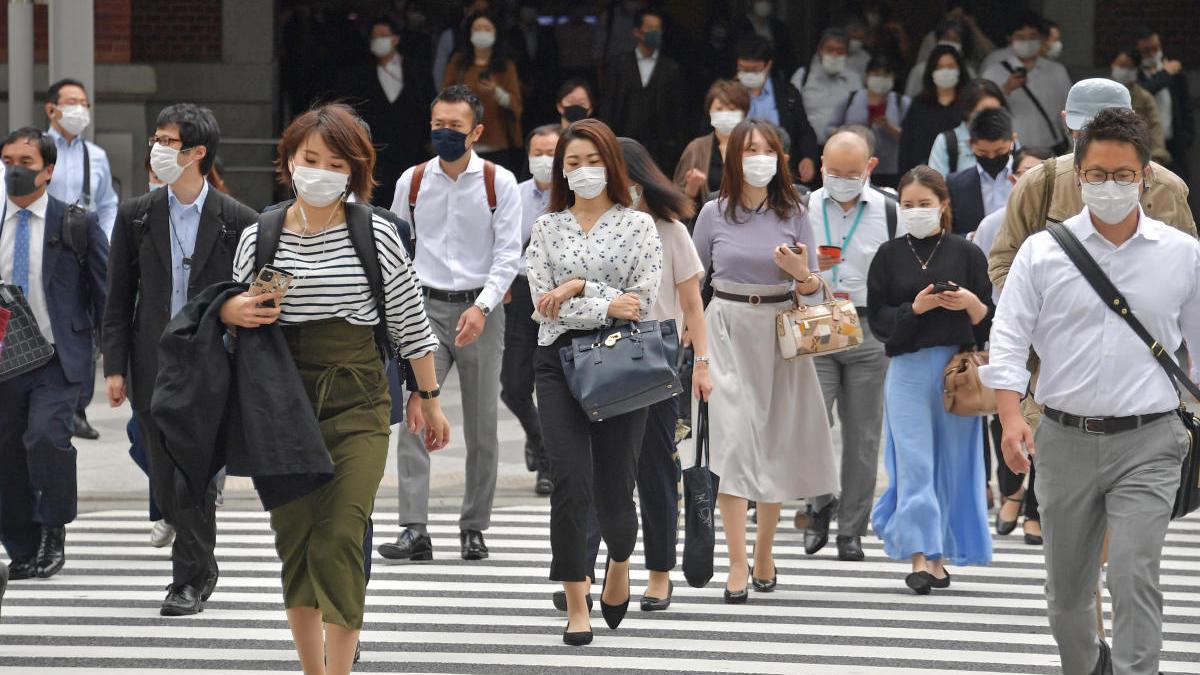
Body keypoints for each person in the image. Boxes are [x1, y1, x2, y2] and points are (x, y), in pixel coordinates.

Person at [223, 102, 449, 675]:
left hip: (359, 397)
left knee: (341, 534)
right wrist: (237, 308)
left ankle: (341, 670)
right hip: (281, 400)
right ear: (290, 161)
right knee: (295, 538)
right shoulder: (260, 234)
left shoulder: (375, 232)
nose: (320, 170)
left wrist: (429, 398)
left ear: (355, 169)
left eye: (335, 161)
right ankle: (312, 668)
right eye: (309, 158)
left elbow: (408, 319)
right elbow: (229, 310)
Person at [982, 107, 1196, 675]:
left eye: (1123, 175)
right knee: (1068, 597)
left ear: (1145, 177)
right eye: (1097, 175)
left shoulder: (1182, 255)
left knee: (1133, 574)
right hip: (1063, 438)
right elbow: (1007, 338)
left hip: (1150, 439)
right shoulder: (1043, 252)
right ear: (1079, 177)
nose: (1110, 186)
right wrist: (1009, 417)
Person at [101, 104, 257, 614]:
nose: (158, 150)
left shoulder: (237, 221)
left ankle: (188, 579)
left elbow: (255, 298)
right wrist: (116, 367)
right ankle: (199, 556)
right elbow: (119, 296)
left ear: (198, 154)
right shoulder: (137, 214)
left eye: (169, 142)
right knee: (163, 471)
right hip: (152, 360)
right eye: (157, 139)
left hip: (210, 362)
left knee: (191, 470)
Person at [525, 118, 662, 645]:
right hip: (556, 362)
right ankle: (576, 598)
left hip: (622, 360)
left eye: (592, 160)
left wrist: (579, 286)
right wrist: (605, 301)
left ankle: (620, 562)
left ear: (612, 164)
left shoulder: (639, 225)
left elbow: (641, 302)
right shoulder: (547, 226)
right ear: (561, 170)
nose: (583, 171)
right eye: (573, 163)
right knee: (569, 481)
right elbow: (544, 307)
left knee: (614, 487)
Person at [692, 119, 837, 604]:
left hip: (781, 330)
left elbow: (814, 286)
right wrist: (697, 352)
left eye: (767, 149)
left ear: (779, 156)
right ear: (733, 157)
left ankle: (764, 554)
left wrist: (802, 274)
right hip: (727, 325)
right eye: (749, 149)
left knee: (772, 445)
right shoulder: (713, 213)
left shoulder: (796, 210)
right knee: (731, 447)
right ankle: (736, 562)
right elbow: (692, 286)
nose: (759, 157)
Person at [381, 85, 522, 563]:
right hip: (423, 308)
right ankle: (414, 528)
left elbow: (508, 255)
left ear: (477, 131)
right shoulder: (413, 181)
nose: (444, 133)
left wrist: (481, 307)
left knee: (483, 424)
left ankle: (474, 526)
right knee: (416, 414)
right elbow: (396, 249)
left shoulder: (498, 182)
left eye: (455, 127)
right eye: (438, 125)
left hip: (482, 309)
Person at [573, 136, 713, 614]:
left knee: (655, 468)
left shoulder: (670, 230)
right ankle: (584, 572)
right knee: (599, 471)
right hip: (600, 355)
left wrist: (705, 366)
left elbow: (693, 304)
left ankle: (658, 573)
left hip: (654, 359)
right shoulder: (587, 228)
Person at [867, 165, 993, 595]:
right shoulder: (887, 254)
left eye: (924, 204)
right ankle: (924, 558)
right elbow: (880, 321)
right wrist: (916, 309)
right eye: (908, 205)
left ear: (943, 205)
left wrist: (970, 302)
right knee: (915, 463)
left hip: (957, 372)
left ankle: (939, 556)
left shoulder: (967, 252)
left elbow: (988, 324)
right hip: (906, 369)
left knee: (955, 464)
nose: (916, 211)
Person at [0, 127, 107, 582]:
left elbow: (106, 295)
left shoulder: (74, 223)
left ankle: (52, 530)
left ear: (48, 171)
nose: (14, 170)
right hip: (5, 362)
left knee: (45, 440)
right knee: (6, 454)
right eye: (6, 160)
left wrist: (115, 362)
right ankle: (22, 545)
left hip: (57, 359)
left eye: (24, 161)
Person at [988, 78, 1195, 291]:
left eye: (1111, 134)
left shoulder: (1167, 188)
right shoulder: (1038, 184)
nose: (1097, 144)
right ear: (1066, 121)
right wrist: (1045, 308)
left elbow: (1189, 270)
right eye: (1085, 133)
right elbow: (1003, 262)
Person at [801, 129, 902, 561]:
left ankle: (851, 530)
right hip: (816, 319)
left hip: (865, 325)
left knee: (863, 437)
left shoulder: (890, 211)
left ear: (869, 169)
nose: (841, 179)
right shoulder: (801, 207)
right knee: (811, 424)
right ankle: (819, 502)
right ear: (821, 163)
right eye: (834, 171)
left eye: (851, 173)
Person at [43, 78, 118, 441]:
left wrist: (102, 238)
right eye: (72, 102)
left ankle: (78, 405)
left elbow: (107, 203)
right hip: (47, 248)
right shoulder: (38, 150)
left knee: (85, 323)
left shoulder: (96, 155)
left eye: (84, 103)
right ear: (51, 109)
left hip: (85, 250)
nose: (79, 110)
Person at [508, 124, 560, 497]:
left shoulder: (577, 195)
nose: (544, 160)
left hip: (563, 296)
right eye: (537, 152)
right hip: (521, 292)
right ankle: (538, 438)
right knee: (513, 386)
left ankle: (548, 463)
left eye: (551, 153)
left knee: (555, 384)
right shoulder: (515, 194)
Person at [345, 17, 435, 209]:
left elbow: (429, 102)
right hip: (377, 150)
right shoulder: (361, 74)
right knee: (379, 198)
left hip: (412, 147)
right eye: (375, 36)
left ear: (395, 39)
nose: (378, 40)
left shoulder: (416, 70)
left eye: (383, 35)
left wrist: (429, 137)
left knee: (412, 196)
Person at [598, 9, 686, 172]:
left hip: (660, 148)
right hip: (623, 141)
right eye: (650, 28)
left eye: (658, 29)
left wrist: (676, 147)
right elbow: (609, 105)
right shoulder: (619, 65)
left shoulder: (671, 69)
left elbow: (677, 112)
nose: (655, 33)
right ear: (637, 32)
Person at [442, 12, 524, 172]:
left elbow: (516, 105)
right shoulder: (458, 62)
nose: (482, 33)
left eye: (487, 28)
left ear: (496, 33)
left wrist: (496, 92)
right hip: (462, 142)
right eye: (477, 28)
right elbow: (444, 97)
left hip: (496, 142)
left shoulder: (506, 65)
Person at [981, 13, 1072, 153]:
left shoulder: (1057, 71)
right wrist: (1005, 90)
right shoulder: (993, 72)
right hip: (1011, 152)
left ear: (1041, 39)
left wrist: (1074, 147)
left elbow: (1068, 112)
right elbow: (982, 113)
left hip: (1051, 150)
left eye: (1032, 36)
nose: (1027, 41)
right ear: (1010, 39)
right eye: (1020, 37)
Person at [734, 36, 819, 183]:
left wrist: (808, 158)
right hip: (739, 169)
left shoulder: (788, 93)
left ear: (768, 65)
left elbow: (804, 130)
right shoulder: (727, 95)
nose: (748, 74)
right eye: (743, 69)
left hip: (780, 171)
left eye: (754, 70)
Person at [826, 55, 910, 188]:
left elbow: (910, 137)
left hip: (891, 169)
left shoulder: (902, 102)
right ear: (867, 76)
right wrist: (848, 133)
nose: (880, 79)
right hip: (853, 166)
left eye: (885, 75)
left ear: (892, 78)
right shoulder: (851, 99)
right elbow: (829, 129)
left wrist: (889, 127)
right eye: (876, 74)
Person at [673, 80, 750, 215]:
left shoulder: (754, 146)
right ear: (709, 112)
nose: (725, 114)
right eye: (719, 109)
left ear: (744, 113)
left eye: (732, 109)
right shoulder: (696, 148)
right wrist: (691, 189)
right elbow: (675, 203)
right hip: (708, 225)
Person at [971, 146, 1052, 259]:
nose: (1037, 180)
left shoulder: (1072, 217)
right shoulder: (991, 224)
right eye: (1029, 173)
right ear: (1013, 180)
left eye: (1044, 173)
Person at [898, 44, 967, 175]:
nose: (945, 71)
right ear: (931, 71)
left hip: (962, 176)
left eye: (950, 66)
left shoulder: (968, 105)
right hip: (923, 177)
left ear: (960, 69)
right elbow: (906, 147)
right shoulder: (919, 105)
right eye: (939, 67)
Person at [1136, 26, 1194, 180]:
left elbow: (1186, 109)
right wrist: (1164, 75)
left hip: (1173, 147)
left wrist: (1186, 138)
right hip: (1144, 149)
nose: (1153, 54)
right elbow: (1143, 93)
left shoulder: (1175, 73)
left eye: (1156, 49)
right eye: (1147, 51)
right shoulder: (1135, 75)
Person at [948, 107, 1017, 235]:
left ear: (1013, 139)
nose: (991, 158)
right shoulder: (955, 185)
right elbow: (949, 234)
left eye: (999, 151)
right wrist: (971, 238)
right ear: (970, 144)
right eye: (983, 153)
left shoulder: (1027, 176)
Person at [790, 28, 863, 146]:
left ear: (846, 54)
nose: (834, 55)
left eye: (840, 51)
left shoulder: (854, 80)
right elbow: (791, 112)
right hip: (808, 150)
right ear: (820, 50)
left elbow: (859, 115)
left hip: (843, 149)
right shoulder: (803, 76)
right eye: (829, 50)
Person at [927, 78, 1007, 178]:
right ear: (967, 112)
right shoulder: (947, 142)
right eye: (984, 113)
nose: (990, 118)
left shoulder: (1010, 139)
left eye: (996, 112)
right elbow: (936, 188)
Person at [1110, 48, 1172, 165]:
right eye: (1122, 65)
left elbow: (1155, 126)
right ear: (1113, 64)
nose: (1126, 71)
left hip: (1136, 157)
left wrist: (1157, 156)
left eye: (1131, 68)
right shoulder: (1099, 92)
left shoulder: (1144, 98)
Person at [509, 3, 559, 137]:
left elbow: (552, 59)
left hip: (543, 87)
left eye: (533, 8)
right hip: (519, 86)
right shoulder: (511, 34)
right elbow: (509, 61)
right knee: (522, 123)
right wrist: (519, 82)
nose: (530, 12)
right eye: (527, 8)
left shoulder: (546, 33)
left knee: (543, 122)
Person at [904, 19, 978, 99]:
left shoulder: (969, 72)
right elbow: (908, 100)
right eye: (946, 38)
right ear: (937, 41)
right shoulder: (919, 70)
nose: (950, 42)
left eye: (955, 40)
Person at [732, 0, 797, 79]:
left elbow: (788, 58)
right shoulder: (738, 26)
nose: (764, 3)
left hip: (774, 79)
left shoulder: (779, 28)